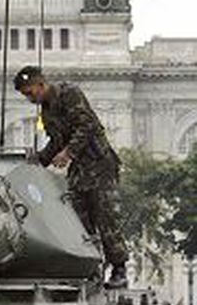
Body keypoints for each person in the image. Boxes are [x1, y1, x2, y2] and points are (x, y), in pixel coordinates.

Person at [13, 65, 129, 288]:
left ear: (40, 84)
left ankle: (119, 269)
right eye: (24, 95)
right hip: (79, 171)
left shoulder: (69, 94)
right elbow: (56, 141)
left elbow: (88, 126)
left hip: (99, 165)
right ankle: (91, 269)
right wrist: (37, 161)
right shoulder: (46, 110)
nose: (29, 98)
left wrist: (69, 152)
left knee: (105, 218)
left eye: (29, 92)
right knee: (78, 222)